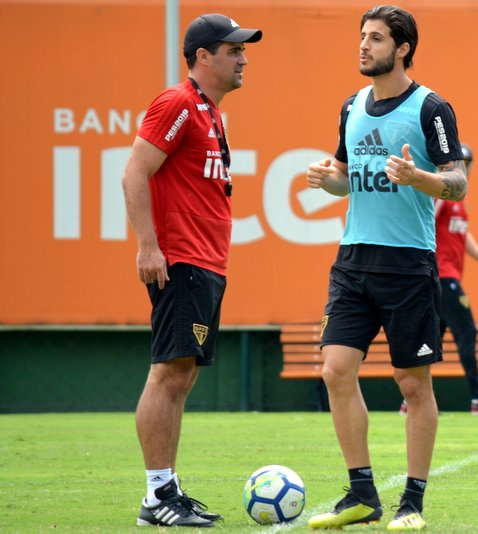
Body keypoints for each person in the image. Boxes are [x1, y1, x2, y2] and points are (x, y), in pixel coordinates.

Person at [305, 5, 467, 531]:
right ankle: (362, 495)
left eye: (375, 39)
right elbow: (346, 180)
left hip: (407, 265)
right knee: (335, 371)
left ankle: (412, 503)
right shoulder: (350, 105)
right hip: (352, 262)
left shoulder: (431, 108)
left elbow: (457, 181)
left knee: (413, 384)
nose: (364, 46)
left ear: (402, 48)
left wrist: (419, 177)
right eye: (362, 37)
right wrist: (327, 180)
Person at [122, 13, 262, 527]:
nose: (244, 59)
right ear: (204, 56)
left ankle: (168, 489)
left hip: (205, 262)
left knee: (180, 376)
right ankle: (156, 497)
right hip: (180, 258)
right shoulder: (178, 102)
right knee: (168, 373)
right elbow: (134, 171)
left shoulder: (211, 114)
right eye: (234, 50)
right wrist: (148, 246)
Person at [399, 144, 478, 416]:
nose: (465, 167)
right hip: (442, 275)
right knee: (466, 332)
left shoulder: (460, 199)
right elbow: (425, 220)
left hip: (445, 276)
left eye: (468, 162)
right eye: (462, 161)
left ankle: (409, 399)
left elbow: (463, 235)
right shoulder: (442, 193)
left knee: (431, 342)